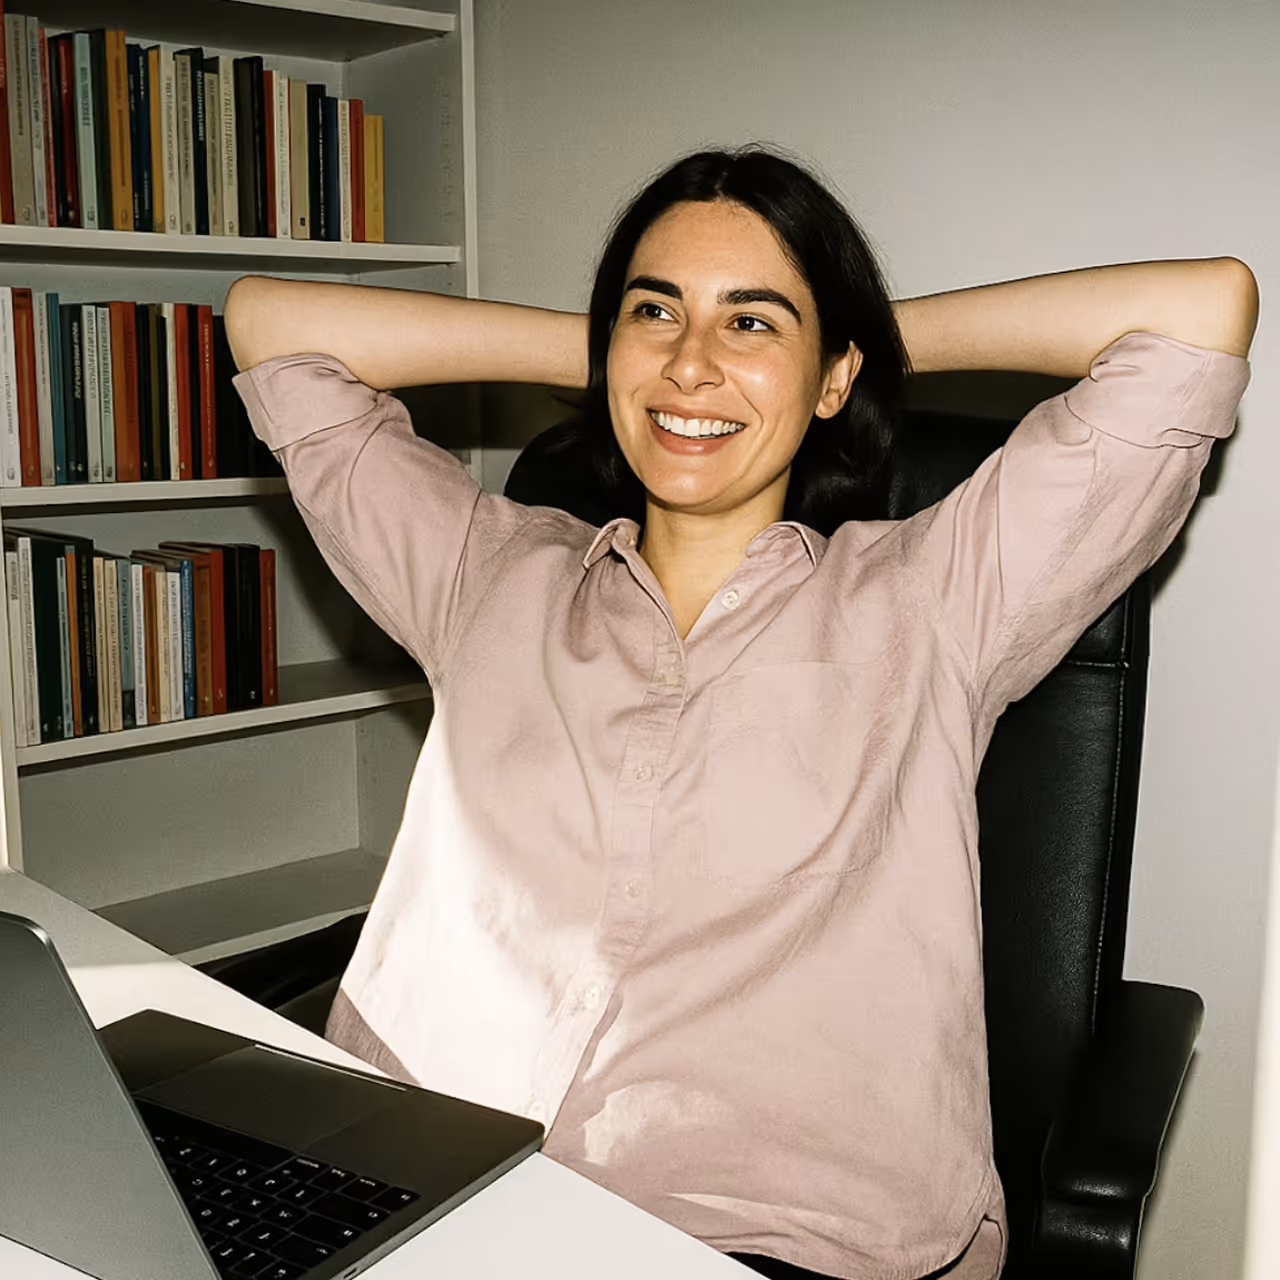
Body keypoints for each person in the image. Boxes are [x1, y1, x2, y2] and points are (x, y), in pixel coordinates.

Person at [225, 147, 1257, 1280]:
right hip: (413, 1190)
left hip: (754, 1236)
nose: (692, 363)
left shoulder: (936, 595)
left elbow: (1199, 312)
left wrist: (834, 337)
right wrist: (637, 354)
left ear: (831, 379)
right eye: (653, 309)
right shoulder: (483, 568)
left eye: (751, 324)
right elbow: (270, 323)